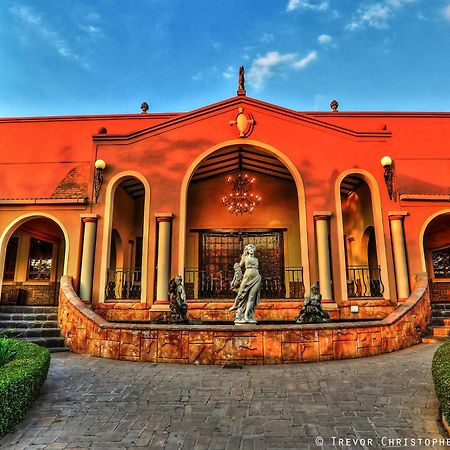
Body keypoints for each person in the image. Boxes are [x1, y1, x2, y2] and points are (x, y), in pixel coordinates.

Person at [229, 244, 261, 323]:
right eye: (249, 248)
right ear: (246, 250)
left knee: (251, 297)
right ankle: (235, 305)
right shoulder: (244, 258)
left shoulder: (256, 259)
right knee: (240, 292)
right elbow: (238, 268)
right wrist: (235, 279)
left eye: (252, 248)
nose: (251, 249)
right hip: (247, 277)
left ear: (254, 249)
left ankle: (246, 315)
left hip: (257, 278)